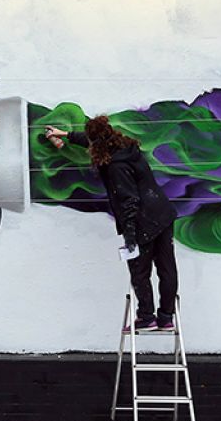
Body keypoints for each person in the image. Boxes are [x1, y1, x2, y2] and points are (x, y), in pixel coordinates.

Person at [46, 117, 178, 331]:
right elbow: (92, 139)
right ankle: (166, 318)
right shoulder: (125, 147)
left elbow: (129, 199)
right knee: (167, 268)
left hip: (142, 219)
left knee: (139, 270)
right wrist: (66, 135)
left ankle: (146, 317)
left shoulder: (115, 166)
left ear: (97, 143)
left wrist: (130, 235)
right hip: (162, 212)